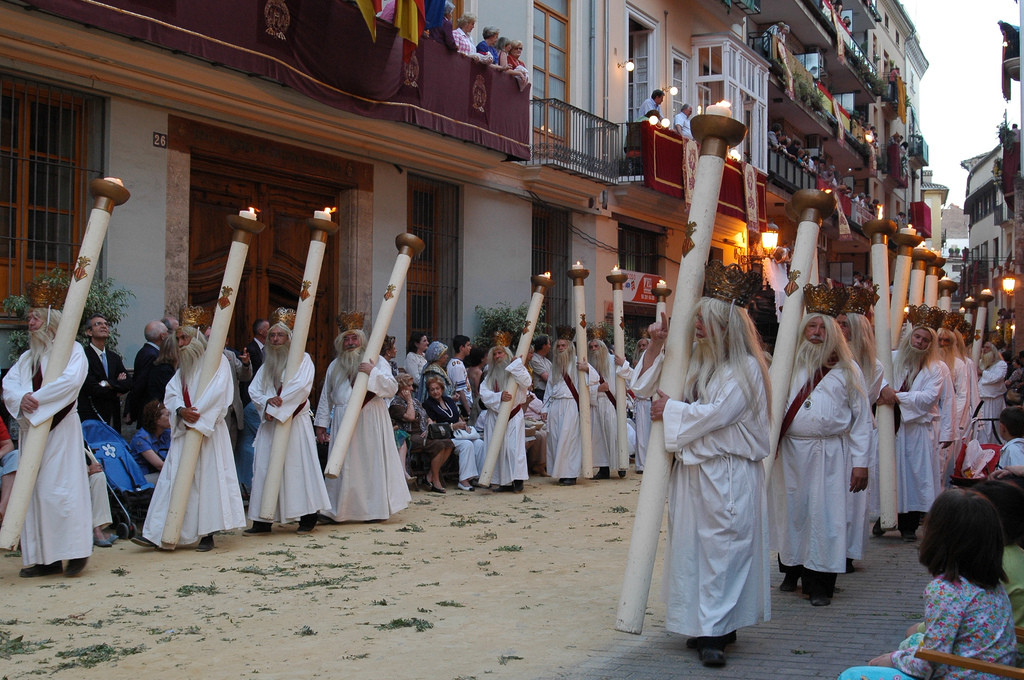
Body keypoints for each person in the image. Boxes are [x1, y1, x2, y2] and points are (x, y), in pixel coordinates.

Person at [636, 261, 770, 667]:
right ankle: (700, 625)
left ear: (726, 326)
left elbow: (716, 413)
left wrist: (672, 409)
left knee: (724, 551)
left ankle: (719, 633)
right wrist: (658, 346)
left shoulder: (745, 367)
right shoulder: (693, 359)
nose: (696, 329)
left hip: (727, 473)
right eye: (695, 321)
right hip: (694, 474)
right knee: (692, 551)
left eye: (704, 323)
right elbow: (644, 389)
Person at [837, 489, 1017, 680]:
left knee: (852, 675)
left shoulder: (947, 590)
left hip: (965, 673)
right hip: (995, 673)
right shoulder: (992, 584)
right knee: (913, 641)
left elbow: (929, 663)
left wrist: (894, 659)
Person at [771, 287, 872, 607]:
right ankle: (792, 570)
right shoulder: (787, 366)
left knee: (826, 517)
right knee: (794, 513)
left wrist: (861, 462)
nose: (816, 333)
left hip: (831, 454)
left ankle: (820, 584)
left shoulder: (848, 369)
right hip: (791, 454)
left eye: (822, 328)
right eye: (811, 326)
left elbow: (861, 420)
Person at [134, 308, 246, 552]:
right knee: (172, 480)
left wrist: (196, 416)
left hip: (207, 435)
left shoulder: (218, 363)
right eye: (179, 339)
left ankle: (207, 533)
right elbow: (171, 393)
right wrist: (180, 412)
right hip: (185, 432)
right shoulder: (182, 368)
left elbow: (220, 396)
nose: (181, 344)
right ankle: (158, 532)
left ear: (196, 338)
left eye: (184, 339)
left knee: (207, 482)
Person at [3, 288, 91, 577]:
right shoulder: (28, 357)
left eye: (35, 318)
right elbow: (9, 385)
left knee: (62, 489)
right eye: (29, 318)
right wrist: (23, 398)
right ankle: (45, 559)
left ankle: (75, 552)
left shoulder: (73, 351)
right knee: (37, 492)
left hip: (62, 430)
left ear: (51, 321)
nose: (30, 323)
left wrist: (36, 400)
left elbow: (69, 383)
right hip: (33, 432)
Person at [314, 314, 411, 521]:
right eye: (346, 339)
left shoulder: (376, 361)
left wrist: (372, 372)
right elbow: (326, 397)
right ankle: (337, 510)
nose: (350, 343)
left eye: (354, 339)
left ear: (362, 340)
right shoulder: (335, 365)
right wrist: (321, 425)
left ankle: (374, 510)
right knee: (344, 464)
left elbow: (392, 388)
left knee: (370, 464)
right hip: (342, 420)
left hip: (370, 419)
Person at [245, 309, 330, 535]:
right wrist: (266, 404)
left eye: (279, 336)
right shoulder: (267, 364)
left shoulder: (304, 359)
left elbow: (300, 388)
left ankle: (307, 516)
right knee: (265, 469)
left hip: (294, 424)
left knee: (298, 468)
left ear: (289, 338)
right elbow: (254, 390)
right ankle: (263, 520)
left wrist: (274, 409)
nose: (275, 340)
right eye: (272, 336)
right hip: (271, 425)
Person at [877, 306, 946, 541]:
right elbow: (879, 380)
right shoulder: (892, 358)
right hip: (892, 426)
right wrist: (886, 391)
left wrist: (897, 397)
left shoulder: (936, 369)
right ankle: (884, 516)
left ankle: (909, 526)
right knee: (889, 471)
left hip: (916, 428)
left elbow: (928, 398)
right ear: (910, 336)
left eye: (925, 340)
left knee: (915, 477)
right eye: (917, 337)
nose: (919, 342)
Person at [836, 288, 883, 573]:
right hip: (831, 440)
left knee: (853, 501)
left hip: (857, 439)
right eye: (838, 323)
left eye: (845, 324)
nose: (839, 329)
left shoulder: (872, 366)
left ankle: (847, 553)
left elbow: (870, 402)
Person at [543, 329, 599, 486]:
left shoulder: (577, 363)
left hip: (571, 406)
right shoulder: (554, 367)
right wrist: (544, 409)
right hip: (555, 405)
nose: (560, 348)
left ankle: (570, 474)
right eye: (558, 346)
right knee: (555, 438)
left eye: (563, 345)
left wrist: (587, 369)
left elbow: (594, 379)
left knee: (569, 440)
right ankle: (560, 473)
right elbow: (549, 389)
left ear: (570, 347)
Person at [477, 339, 532, 493]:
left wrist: (517, 366)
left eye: (500, 353)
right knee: (498, 448)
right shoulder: (489, 375)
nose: (497, 356)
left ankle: (518, 479)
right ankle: (503, 482)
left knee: (514, 448)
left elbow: (527, 382)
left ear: (506, 354)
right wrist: (499, 396)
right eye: (494, 354)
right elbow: (483, 394)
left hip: (513, 415)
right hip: (495, 416)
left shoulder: (516, 369)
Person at [422, 373, 481, 492]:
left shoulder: (448, 400)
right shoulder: (428, 404)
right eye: (432, 390)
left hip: (459, 433)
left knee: (479, 443)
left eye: (437, 388)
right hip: (445, 436)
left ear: (442, 389)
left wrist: (464, 426)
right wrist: (453, 427)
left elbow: (457, 416)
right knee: (467, 445)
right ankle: (464, 480)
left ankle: (478, 477)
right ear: (428, 392)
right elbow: (433, 425)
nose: (435, 392)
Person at [77, 313, 132, 434]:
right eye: (98, 324)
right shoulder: (83, 356)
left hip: (113, 415)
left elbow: (128, 383)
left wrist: (107, 384)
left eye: (106, 324)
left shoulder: (114, 357)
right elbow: (91, 387)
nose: (104, 326)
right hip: (91, 413)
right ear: (89, 332)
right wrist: (116, 386)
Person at [588, 336, 630, 480]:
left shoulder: (613, 360)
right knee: (598, 438)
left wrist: (624, 363)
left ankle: (621, 465)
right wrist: (597, 389)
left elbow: (629, 374)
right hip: (596, 403)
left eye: (596, 346)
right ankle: (603, 469)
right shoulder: (589, 365)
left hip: (612, 404)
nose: (593, 349)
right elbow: (584, 386)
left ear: (603, 347)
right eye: (591, 347)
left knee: (615, 434)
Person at [127, 319, 168, 424]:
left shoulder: (147, 352)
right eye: (167, 332)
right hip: (149, 406)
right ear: (162, 336)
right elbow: (141, 382)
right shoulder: (151, 355)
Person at [128, 400, 171, 483]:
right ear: (156, 420)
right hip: (143, 477)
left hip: (161, 472)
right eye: (167, 415)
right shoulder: (141, 438)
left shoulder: (167, 433)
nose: (171, 418)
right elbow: (159, 465)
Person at [630, 334, 653, 473]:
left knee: (651, 434)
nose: (642, 348)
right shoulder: (635, 365)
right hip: (640, 403)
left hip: (651, 401)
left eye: (645, 345)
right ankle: (641, 465)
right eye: (640, 346)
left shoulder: (655, 362)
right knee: (641, 435)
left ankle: (651, 464)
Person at [978, 342, 1008, 444]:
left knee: (993, 426)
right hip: (982, 401)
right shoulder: (982, 363)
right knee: (982, 427)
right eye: (984, 347)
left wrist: (982, 373)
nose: (984, 350)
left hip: (994, 401)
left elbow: (996, 377)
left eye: (987, 348)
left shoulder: (1001, 365)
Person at [448, 334, 474, 418]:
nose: (470, 348)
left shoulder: (459, 363)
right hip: (461, 405)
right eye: (468, 345)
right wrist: (468, 411)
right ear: (461, 348)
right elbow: (460, 390)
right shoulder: (457, 365)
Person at [530, 335, 552, 400]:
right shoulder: (534, 359)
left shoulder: (547, 361)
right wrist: (547, 377)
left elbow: (554, 376)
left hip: (548, 391)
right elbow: (547, 378)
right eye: (549, 344)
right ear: (544, 346)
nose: (550, 347)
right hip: (539, 393)